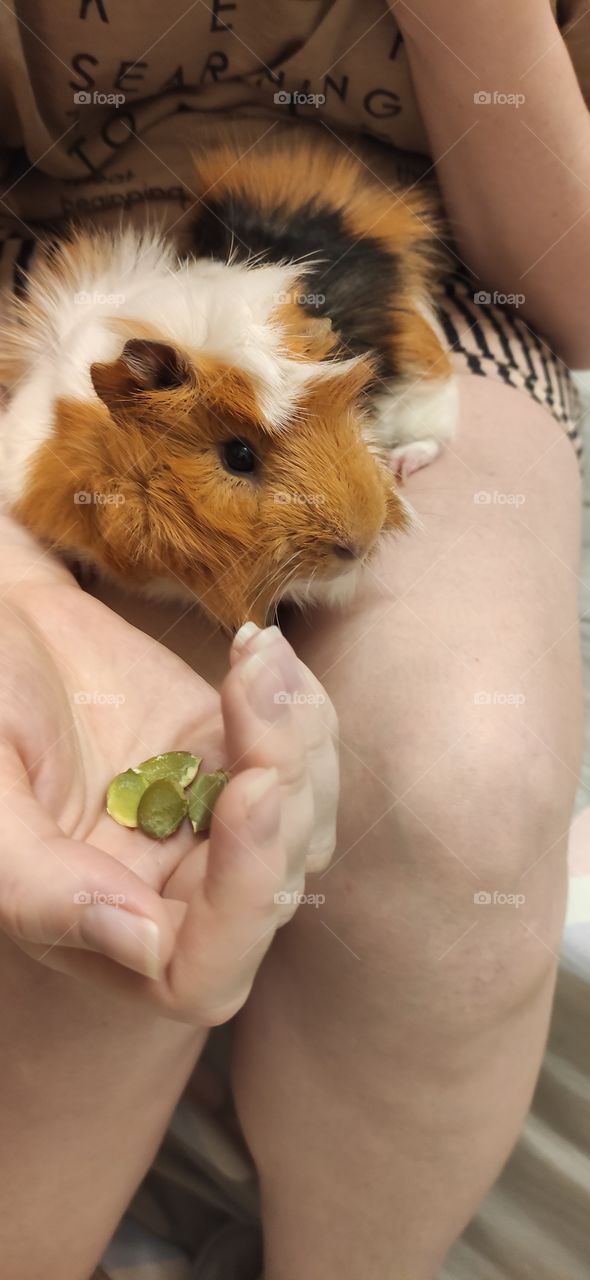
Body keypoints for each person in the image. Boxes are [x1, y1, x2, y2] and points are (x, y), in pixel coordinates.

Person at [0, 2, 587, 1278]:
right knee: (118, 811)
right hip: (79, 296)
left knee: (467, 784)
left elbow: (575, 282)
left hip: (443, 316)